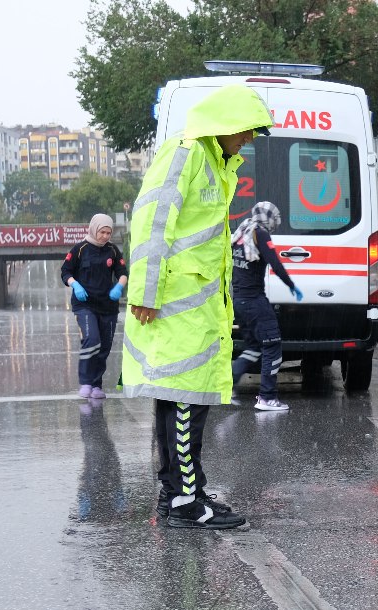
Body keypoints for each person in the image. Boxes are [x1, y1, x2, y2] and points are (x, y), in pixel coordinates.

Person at [121, 83, 274, 530]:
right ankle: (186, 501)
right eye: (245, 130)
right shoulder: (187, 154)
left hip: (195, 305)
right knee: (186, 400)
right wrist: (146, 293)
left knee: (178, 399)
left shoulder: (214, 161)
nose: (248, 140)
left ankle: (180, 492)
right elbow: (152, 222)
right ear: (224, 125)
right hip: (176, 306)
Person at [230, 201, 303, 411]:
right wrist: (291, 285)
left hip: (240, 302)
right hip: (254, 301)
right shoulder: (260, 234)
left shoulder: (242, 231)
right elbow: (275, 262)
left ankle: (229, 386)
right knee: (272, 345)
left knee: (254, 347)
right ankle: (267, 397)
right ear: (269, 218)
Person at [61, 213, 128, 400]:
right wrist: (75, 284)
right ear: (94, 229)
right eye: (102, 232)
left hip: (108, 306)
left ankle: (97, 385)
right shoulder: (79, 249)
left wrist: (119, 286)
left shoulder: (113, 251)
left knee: (104, 346)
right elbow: (65, 272)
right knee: (91, 339)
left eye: (109, 232)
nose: (106, 236)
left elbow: (123, 272)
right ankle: (86, 382)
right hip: (85, 305)